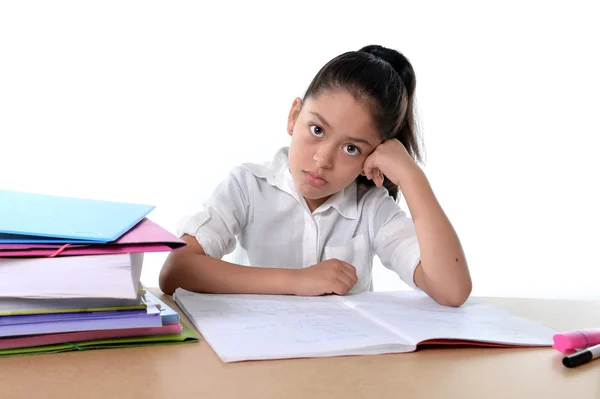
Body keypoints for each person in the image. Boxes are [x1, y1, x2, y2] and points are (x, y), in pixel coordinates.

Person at [159, 45, 472, 306]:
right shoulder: (248, 186)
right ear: (294, 115)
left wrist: (410, 175)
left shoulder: (371, 208)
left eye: (351, 148)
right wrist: (298, 280)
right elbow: (176, 270)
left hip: (343, 369)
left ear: (372, 157)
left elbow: (451, 289)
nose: (323, 159)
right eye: (317, 129)